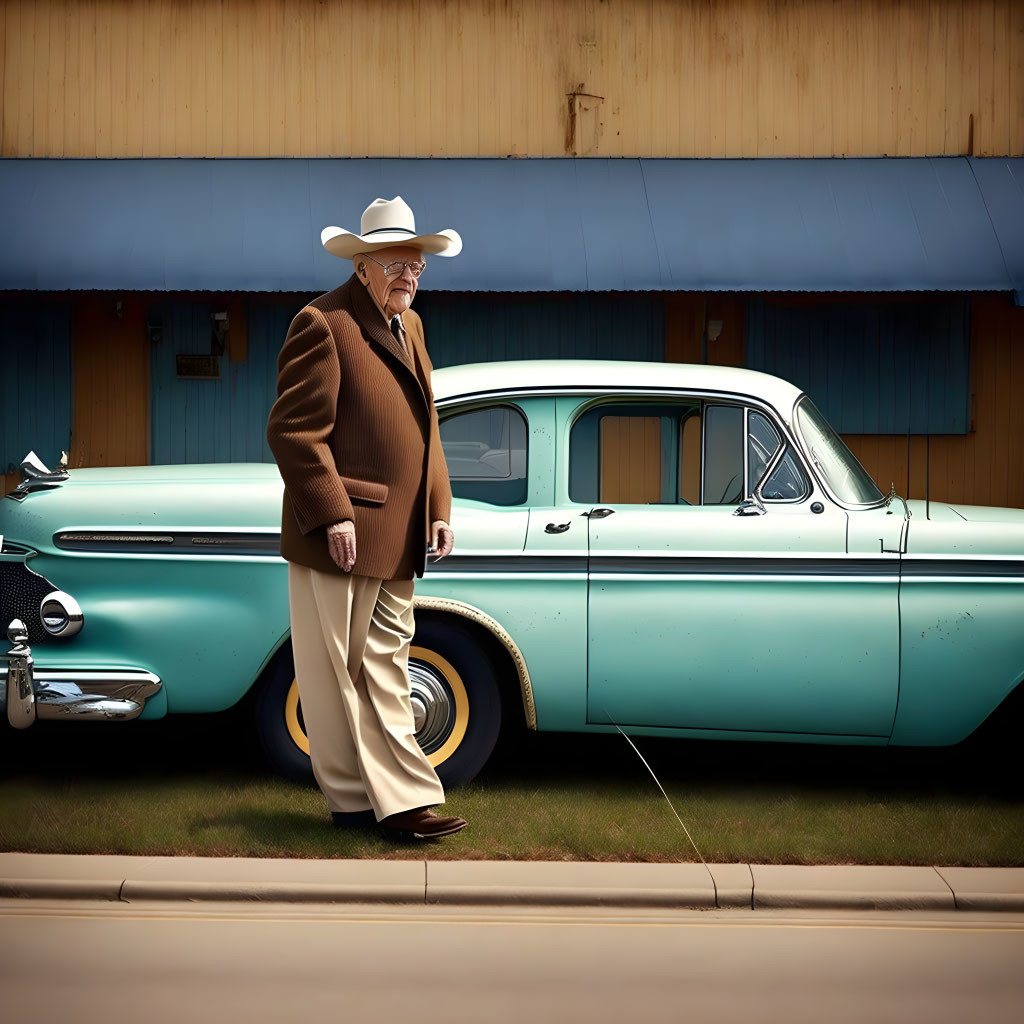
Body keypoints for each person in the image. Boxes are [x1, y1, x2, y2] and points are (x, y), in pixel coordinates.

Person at [265, 196, 467, 841]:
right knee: (331, 673)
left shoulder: (414, 328)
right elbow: (294, 432)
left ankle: (404, 802)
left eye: (417, 266)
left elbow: (427, 427)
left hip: (400, 535)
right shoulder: (322, 323)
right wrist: (332, 515)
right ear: (362, 267)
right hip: (341, 535)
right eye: (397, 264)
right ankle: (353, 805)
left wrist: (438, 506)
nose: (409, 276)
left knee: (385, 663)